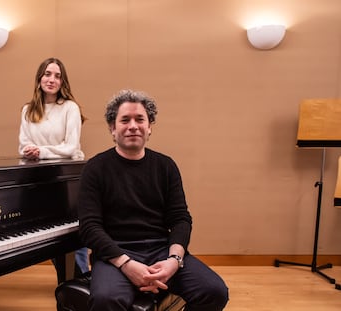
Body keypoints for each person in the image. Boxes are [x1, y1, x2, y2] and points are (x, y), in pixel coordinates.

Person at [78, 89, 229, 311]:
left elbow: (180, 218)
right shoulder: (95, 168)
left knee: (214, 291)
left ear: (149, 127)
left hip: (160, 249)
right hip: (115, 253)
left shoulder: (165, 166)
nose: (133, 125)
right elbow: (89, 227)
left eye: (140, 119)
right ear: (112, 128)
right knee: (106, 299)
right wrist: (127, 265)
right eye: (125, 120)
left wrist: (173, 261)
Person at [18, 57, 89, 275]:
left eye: (57, 76)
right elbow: (23, 146)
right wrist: (32, 151)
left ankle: (83, 285)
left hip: (69, 178)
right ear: (39, 78)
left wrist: (41, 151)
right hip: (43, 179)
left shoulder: (70, 107)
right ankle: (67, 288)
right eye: (47, 74)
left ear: (62, 82)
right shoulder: (28, 110)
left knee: (73, 237)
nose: (52, 79)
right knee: (51, 237)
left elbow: (70, 147)